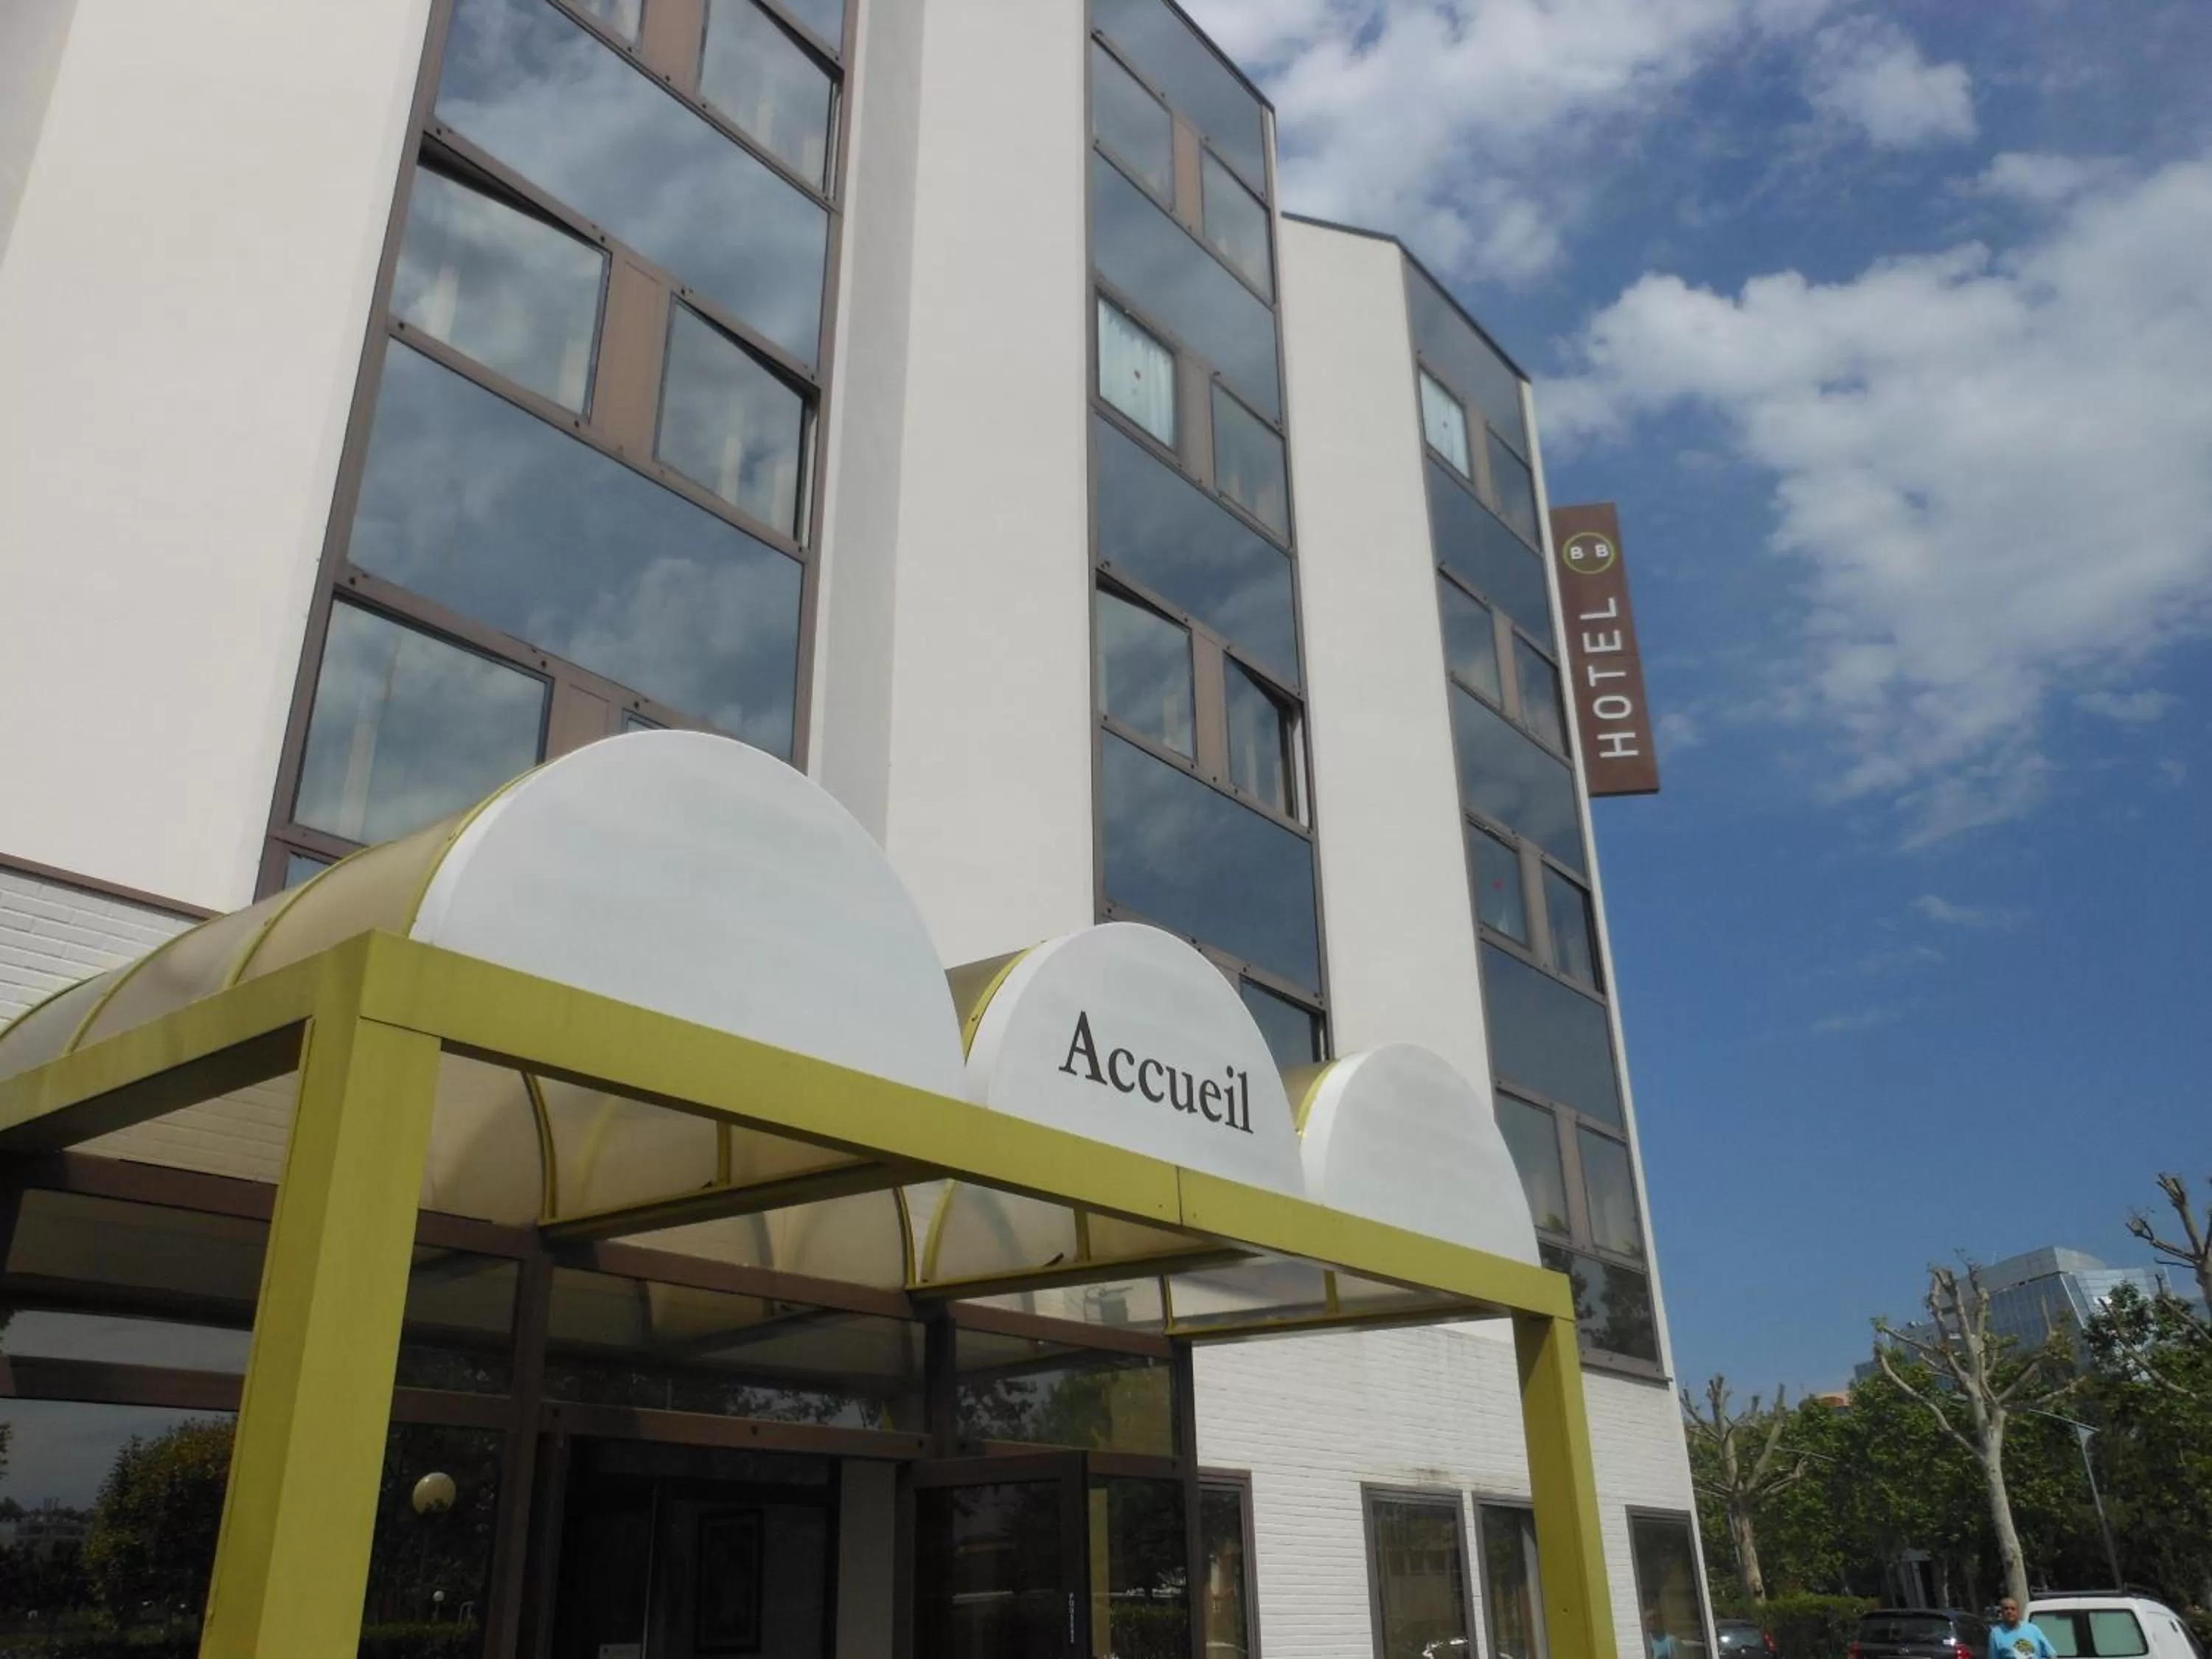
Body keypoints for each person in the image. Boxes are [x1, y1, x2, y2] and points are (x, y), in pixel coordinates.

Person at [1991, 1598, 2056, 1659]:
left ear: (2018, 1612)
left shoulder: (2033, 1629)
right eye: (2006, 1609)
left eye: (2013, 1609)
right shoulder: (1996, 1634)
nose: (2009, 1612)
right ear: (2001, 1612)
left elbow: (2051, 1654)